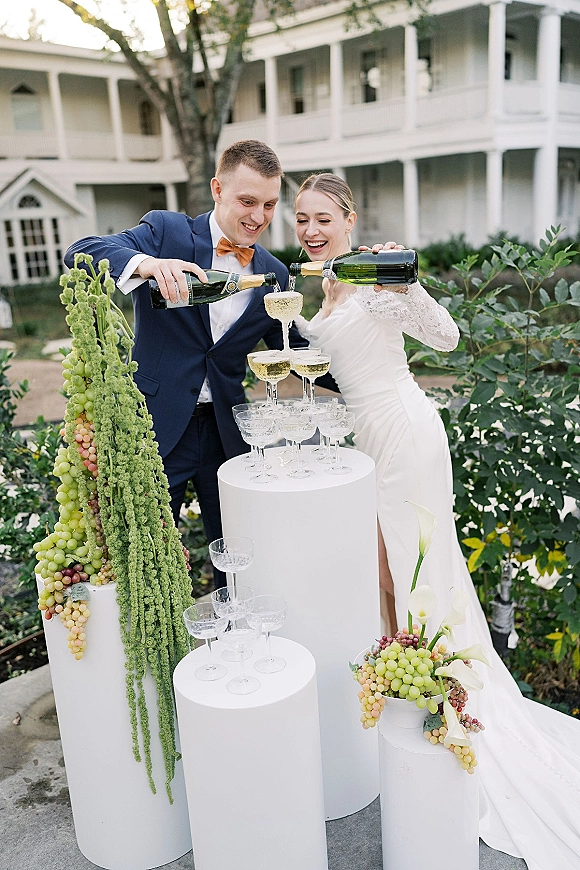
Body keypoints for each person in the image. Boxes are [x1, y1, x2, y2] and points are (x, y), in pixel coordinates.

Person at [293, 172, 580, 870]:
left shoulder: (375, 279)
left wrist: (406, 286)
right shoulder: (321, 290)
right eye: (301, 218)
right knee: (382, 567)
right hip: (360, 438)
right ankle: (403, 681)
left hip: (405, 432)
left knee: (411, 563)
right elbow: (330, 368)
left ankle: (436, 692)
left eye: (323, 216)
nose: (311, 228)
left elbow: (446, 339)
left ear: (350, 219)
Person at [64, 140, 314, 587]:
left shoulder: (274, 271)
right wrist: (146, 265)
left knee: (237, 554)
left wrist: (368, 330)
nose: (258, 216)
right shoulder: (166, 232)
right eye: (247, 201)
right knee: (147, 562)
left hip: (227, 432)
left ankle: (235, 635)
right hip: (156, 428)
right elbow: (82, 252)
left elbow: (299, 352)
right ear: (217, 189)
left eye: (270, 204)